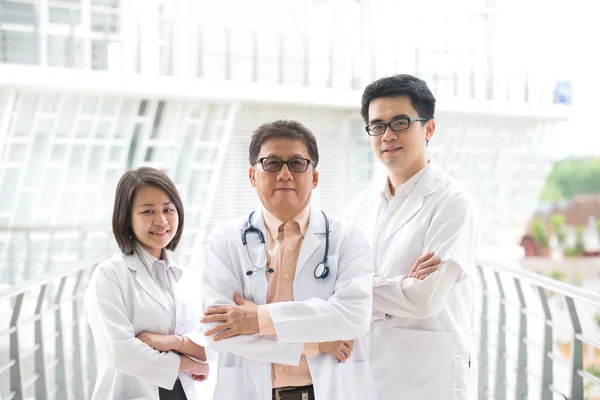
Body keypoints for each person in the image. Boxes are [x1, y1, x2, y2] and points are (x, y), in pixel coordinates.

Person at [199, 120, 376, 400]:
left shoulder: (347, 238)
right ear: (252, 175)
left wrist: (258, 318)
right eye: (271, 163)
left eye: (296, 163)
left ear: (314, 177)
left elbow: (353, 317)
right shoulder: (225, 240)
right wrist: (314, 342)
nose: (284, 174)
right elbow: (217, 332)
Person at [343, 74, 480, 400]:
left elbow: (425, 299)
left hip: (429, 380)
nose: (387, 135)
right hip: (365, 377)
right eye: (377, 126)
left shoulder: (452, 203)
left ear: (428, 129)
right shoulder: (359, 207)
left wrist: (358, 290)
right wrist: (399, 287)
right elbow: (334, 289)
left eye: (400, 123)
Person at [84, 167, 210, 400]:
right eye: (148, 211)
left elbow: (212, 343)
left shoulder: (187, 278)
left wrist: (173, 342)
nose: (161, 221)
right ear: (127, 218)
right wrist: (191, 364)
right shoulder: (110, 275)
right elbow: (121, 352)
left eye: (168, 210)